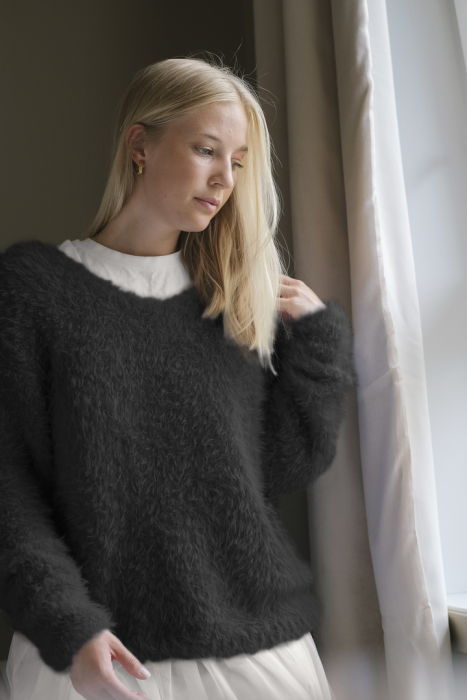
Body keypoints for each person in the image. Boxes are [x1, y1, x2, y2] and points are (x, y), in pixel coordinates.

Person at [0, 56, 357, 700]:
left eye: (239, 162)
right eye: (206, 150)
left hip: (254, 653)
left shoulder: (231, 301)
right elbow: (9, 492)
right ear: (139, 145)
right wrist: (67, 624)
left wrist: (318, 351)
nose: (225, 179)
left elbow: (268, 475)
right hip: (94, 658)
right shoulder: (35, 292)